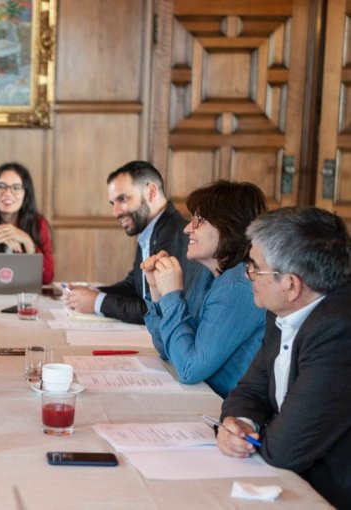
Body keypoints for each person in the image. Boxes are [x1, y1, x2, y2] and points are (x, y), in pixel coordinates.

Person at [217, 207, 351, 508]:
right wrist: (239, 422)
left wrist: (253, 435)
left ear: (290, 285)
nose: (247, 274)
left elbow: (284, 450)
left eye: (254, 267)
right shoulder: (283, 310)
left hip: (329, 493)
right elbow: (250, 389)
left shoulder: (338, 332)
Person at [141, 181, 267, 397]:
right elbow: (168, 349)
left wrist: (172, 295)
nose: (187, 228)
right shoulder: (208, 272)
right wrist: (156, 290)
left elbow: (189, 370)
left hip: (228, 412)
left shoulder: (238, 286)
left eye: (199, 220)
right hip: (203, 396)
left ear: (229, 227)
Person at [64, 160, 208, 324]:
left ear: (151, 192)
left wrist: (97, 302)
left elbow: (156, 309)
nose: (115, 212)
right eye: (113, 203)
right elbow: (136, 286)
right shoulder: (149, 229)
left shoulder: (175, 233)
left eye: (123, 199)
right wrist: (92, 292)